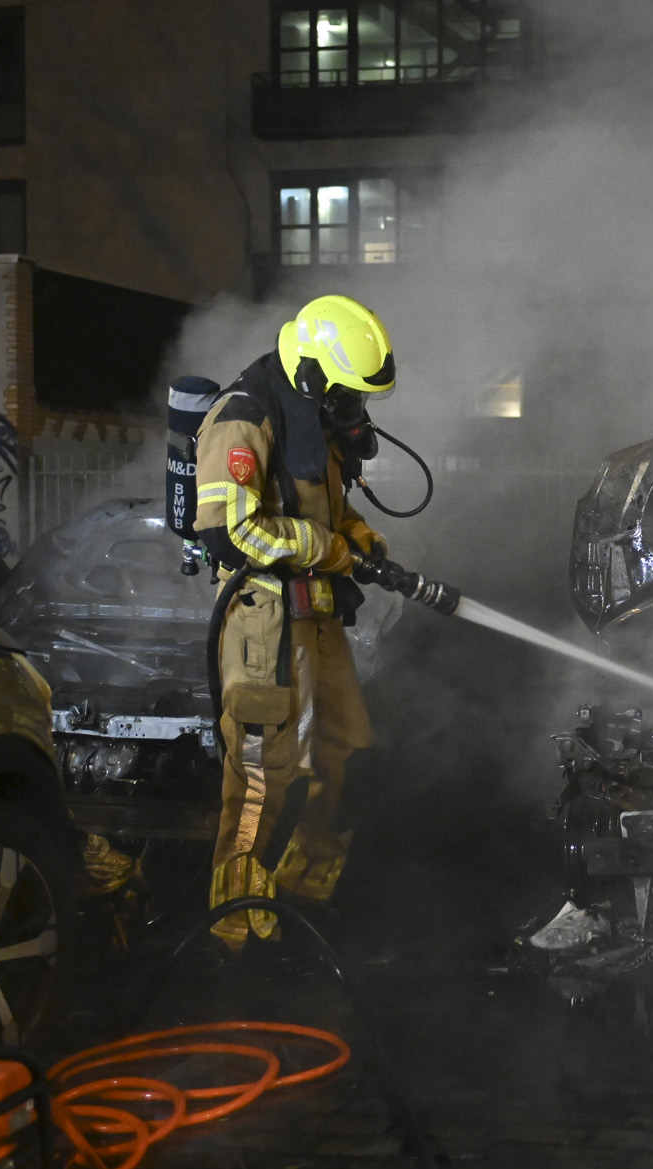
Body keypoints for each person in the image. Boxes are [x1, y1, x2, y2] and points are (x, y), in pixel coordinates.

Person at [192, 294, 395, 947]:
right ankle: (239, 929)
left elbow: (320, 505)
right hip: (262, 621)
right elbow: (230, 529)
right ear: (311, 372)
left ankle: (305, 901)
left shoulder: (310, 415)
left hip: (318, 616)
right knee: (262, 774)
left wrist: (357, 535)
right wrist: (329, 550)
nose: (351, 411)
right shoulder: (244, 416)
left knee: (344, 757)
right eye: (344, 395)